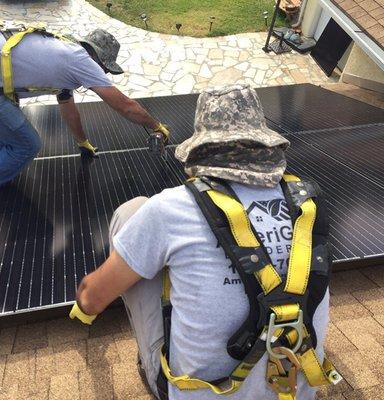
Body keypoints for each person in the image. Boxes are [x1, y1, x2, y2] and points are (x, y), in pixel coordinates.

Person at [70, 85, 338, 399]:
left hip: (202, 393)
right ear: (264, 145)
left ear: (203, 149)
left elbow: (93, 297)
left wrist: (85, 304)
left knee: (132, 214)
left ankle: (153, 368)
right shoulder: (308, 202)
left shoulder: (171, 209)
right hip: (293, 391)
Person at [0, 22, 169, 213]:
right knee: (27, 143)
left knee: (11, 130)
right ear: (98, 58)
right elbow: (125, 105)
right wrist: (156, 125)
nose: (103, 74)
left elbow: (67, 105)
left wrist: (82, 141)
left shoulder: (66, 52)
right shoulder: (81, 61)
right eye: (105, 69)